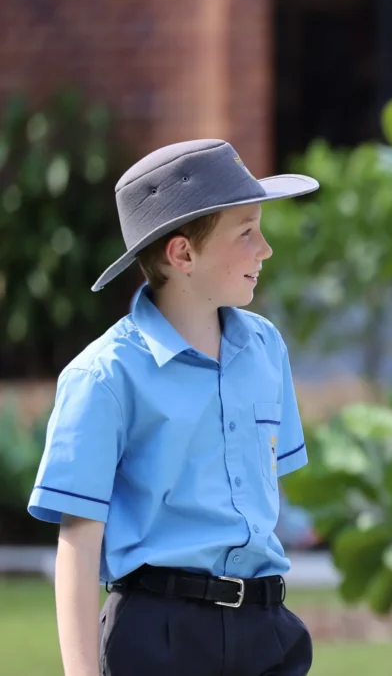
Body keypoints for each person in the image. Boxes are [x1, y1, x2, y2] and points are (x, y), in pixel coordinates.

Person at [26, 139, 320, 676]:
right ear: (182, 254)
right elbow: (78, 537)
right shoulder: (104, 377)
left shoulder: (266, 349)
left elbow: (267, 489)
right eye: (247, 232)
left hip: (268, 630)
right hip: (159, 639)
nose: (266, 249)